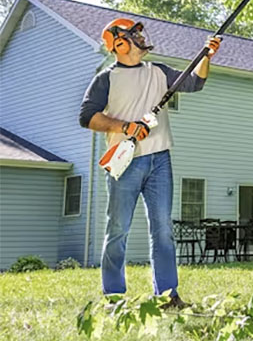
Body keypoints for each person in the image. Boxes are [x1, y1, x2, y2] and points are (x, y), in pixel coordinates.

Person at [78, 17, 221, 309]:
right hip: (125, 162)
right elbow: (87, 116)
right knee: (117, 230)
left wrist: (206, 55)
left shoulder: (158, 71)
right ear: (119, 43)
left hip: (160, 160)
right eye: (135, 35)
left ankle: (168, 296)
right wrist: (127, 127)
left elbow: (195, 82)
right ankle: (115, 297)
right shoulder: (106, 78)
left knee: (163, 230)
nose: (143, 38)